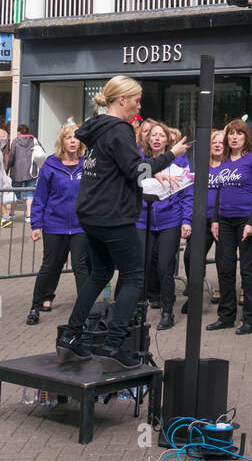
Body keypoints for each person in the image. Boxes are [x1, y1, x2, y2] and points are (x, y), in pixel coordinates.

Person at [56, 76, 188, 369]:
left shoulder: (96, 128)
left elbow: (116, 171)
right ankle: (113, 345)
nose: (139, 106)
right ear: (122, 100)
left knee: (100, 273)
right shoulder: (118, 131)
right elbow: (136, 171)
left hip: (90, 214)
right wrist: (171, 155)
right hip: (112, 216)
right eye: (137, 100)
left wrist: (153, 174)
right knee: (133, 277)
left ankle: (70, 337)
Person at [27, 123, 90, 324]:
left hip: (81, 225)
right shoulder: (51, 165)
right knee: (51, 264)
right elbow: (40, 197)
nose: (72, 141)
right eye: (68, 137)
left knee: (81, 266)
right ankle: (37, 304)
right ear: (62, 142)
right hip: (54, 224)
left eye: (76, 137)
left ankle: (86, 308)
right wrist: (36, 224)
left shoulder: (87, 164)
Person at [208, 119, 252, 334]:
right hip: (224, 220)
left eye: (238, 134)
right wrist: (214, 219)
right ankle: (226, 316)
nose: (234, 137)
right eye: (230, 134)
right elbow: (220, 192)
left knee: (249, 270)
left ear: (246, 137)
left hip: (245, 221)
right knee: (225, 268)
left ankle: (251, 320)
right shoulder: (224, 160)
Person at [137, 120, 192, 329]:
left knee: (165, 267)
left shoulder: (180, 161)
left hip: (170, 220)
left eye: (161, 135)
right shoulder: (139, 160)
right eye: (153, 135)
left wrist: (186, 220)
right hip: (142, 221)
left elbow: (188, 193)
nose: (157, 138)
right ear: (147, 139)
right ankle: (138, 309)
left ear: (168, 139)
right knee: (142, 265)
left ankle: (167, 311)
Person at [182, 129, 224, 310]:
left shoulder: (230, 166)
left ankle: (225, 294)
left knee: (224, 261)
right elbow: (190, 193)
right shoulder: (199, 166)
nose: (217, 145)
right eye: (213, 142)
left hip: (223, 221)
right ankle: (194, 296)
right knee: (191, 256)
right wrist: (188, 220)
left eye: (221, 142)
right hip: (201, 220)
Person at [8, 123, 44, 220]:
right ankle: (28, 215)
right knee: (30, 192)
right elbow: (42, 152)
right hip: (32, 171)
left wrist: (8, 168)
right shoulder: (34, 140)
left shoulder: (16, 141)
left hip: (17, 171)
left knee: (15, 192)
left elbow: (11, 157)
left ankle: (11, 214)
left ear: (19, 132)